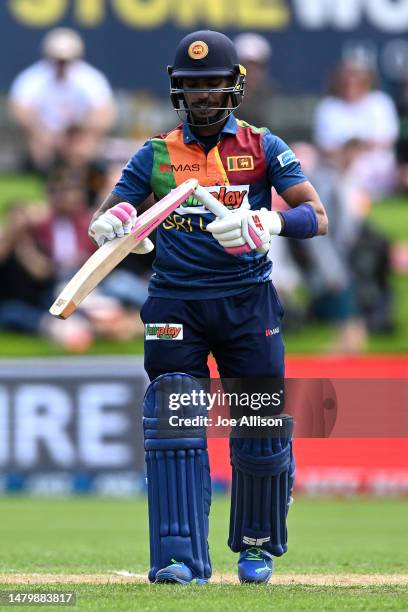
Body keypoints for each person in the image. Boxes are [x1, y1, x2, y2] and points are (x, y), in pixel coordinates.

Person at [89, 30, 328, 585]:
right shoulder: (155, 153)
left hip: (248, 302)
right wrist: (111, 225)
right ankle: (179, 559)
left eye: (213, 84)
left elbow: (316, 215)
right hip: (178, 302)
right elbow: (111, 214)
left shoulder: (263, 146)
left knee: (259, 422)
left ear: (234, 87)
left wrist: (271, 221)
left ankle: (257, 546)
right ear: (178, 90)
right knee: (174, 420)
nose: (203, 96)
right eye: (193, 87)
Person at [9, 28, 116, 172]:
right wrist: (42, 133)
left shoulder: (90, 79)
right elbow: (20, 110)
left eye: (65, 60)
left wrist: (83, 134)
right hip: (43, 133)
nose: (61, 65)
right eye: (58, 59)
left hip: (77, 134)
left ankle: (80, 185)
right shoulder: (33, 78)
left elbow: (104, 113)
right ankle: (44, 181)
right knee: (39, 147)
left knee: (85, 147)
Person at [313, 57, 399, 198]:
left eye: (356, 78)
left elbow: (385, 140)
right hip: (336, 163)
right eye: (346, 79)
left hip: (375, 164)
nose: (351, 83)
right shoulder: (327, 106)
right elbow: (326, 146)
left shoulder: (380, 102)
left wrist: (355, 149)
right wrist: (346, 155)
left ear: (366, 81)